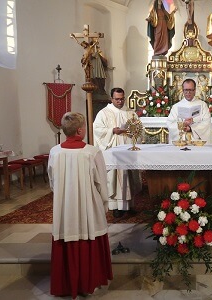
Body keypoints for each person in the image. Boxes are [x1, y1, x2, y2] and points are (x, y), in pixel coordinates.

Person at [48, 112, 113, 298]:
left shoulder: (55, 152)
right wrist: (104, 203)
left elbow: (52, 181)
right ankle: (88, 283)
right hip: (88, 208)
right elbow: (101, 181)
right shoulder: (92, 152)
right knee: (88, 232)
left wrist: (63, 195)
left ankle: (66, 284)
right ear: (80, 130)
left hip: (64, 207)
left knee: (66, 235)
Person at [93, 87, 139, 218]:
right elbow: (97, 129)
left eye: (122, 99)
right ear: (111, 99)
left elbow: (139, 128)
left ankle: (129, 206)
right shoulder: (104, 113)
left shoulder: (131, 113)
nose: (120, 101)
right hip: (113, 150)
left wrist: (132, 130)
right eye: (117, 99)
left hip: (128, 149)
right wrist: (112, 130)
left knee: (129, 177)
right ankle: (116, 207)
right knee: (115, 178)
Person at [167, 79, 212, 144]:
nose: (188, 92)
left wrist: (191, 128)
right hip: (181, 143)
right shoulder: (176, 106)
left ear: (195, 90)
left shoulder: (202, 105)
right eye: (186, 90)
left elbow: (206, 123)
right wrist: (183, 125)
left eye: (190, 90)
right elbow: (170, 123)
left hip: (198, 144)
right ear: (182, 90)